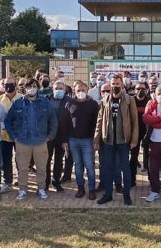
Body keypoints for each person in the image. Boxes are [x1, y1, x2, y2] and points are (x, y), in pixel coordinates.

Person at [4, 78, 58, 201]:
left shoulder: (45, 102)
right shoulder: (18, 103)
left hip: (40, 141)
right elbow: (8, 121)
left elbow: (53, 120)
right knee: (22, 168)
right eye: (29, 86)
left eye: (34, 86)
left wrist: (50, 136)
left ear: (38, 88)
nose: (31, 88)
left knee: (41, 167)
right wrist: (14, 137)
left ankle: (41, 189)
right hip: (22, 141)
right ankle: (22, 189)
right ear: (25, 88)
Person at [94, 74, 138, 205]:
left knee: (125, 168)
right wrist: (96, 140)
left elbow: (135, 122)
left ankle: (126, 195)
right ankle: (108, 194)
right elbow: (99, 120)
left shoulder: (129, 100)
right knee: (107, 168)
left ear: (122, 85)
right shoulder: (105, 100)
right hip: (107, 141)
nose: (115, 86)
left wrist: (134, 140)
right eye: (113, 84)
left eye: (117, 84)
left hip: (123, 141)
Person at [64, 80, 99, 199]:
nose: (81, 92)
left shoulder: (93, 104)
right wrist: (65, 140)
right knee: (78, 166)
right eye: (78, 90)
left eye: (83, 90)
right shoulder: (69, 104)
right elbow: (66, 123)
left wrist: (95, 140)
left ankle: (92, 189)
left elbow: (97, 124)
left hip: (88, 140)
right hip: (73, 140)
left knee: (89, 165)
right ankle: (80, 188)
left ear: (87, 90)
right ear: (74, 91)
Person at [0, 77, 22, 193]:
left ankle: (22, 180)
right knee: (6, 160)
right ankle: (8, 182)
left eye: (11, 84)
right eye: (6, 84)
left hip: (19, 136)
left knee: (20, 160)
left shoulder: (22, 99)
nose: (8, 86)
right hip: (3, 136)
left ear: (15, 85)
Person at [46, 81, 73, 192]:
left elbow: (70, 122)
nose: (58, 90)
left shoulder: (69, 101)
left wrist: (66, 139)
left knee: (59, 160)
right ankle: (46, 182)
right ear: (53, 88)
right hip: (48, 136)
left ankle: (56, 181)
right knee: (46, 160)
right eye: (56, 88)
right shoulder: (46, 99)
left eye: (61, 88)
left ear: (65, 89)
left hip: (62, 137)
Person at [132, 82, 150, 179]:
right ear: (135, 90)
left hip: (147, 132)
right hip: (134, 132)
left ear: (146, 90)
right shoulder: (131, 101)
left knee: (149, 156)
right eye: (138, 89)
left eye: (143, 89)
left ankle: (152, 180)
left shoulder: (150, 101)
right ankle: (132, 179)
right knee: (133, 157)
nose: (140, 91)